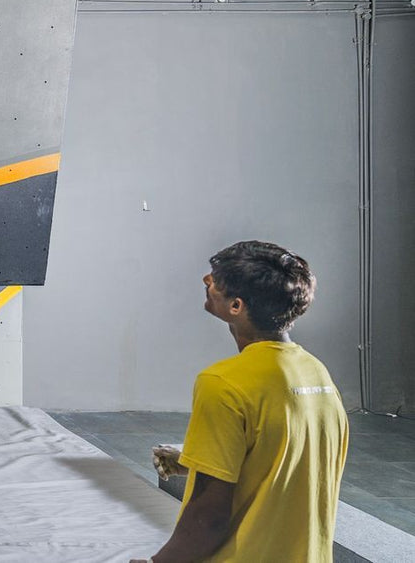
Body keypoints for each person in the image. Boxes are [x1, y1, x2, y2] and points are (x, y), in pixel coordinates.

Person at [135, 241, 348, 563]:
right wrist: (196, 460)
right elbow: (285, 461)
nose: (207, 281)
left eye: (216, 279)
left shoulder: (223, 383)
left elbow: (209, 518)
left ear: (237, 306)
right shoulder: (316, 373)